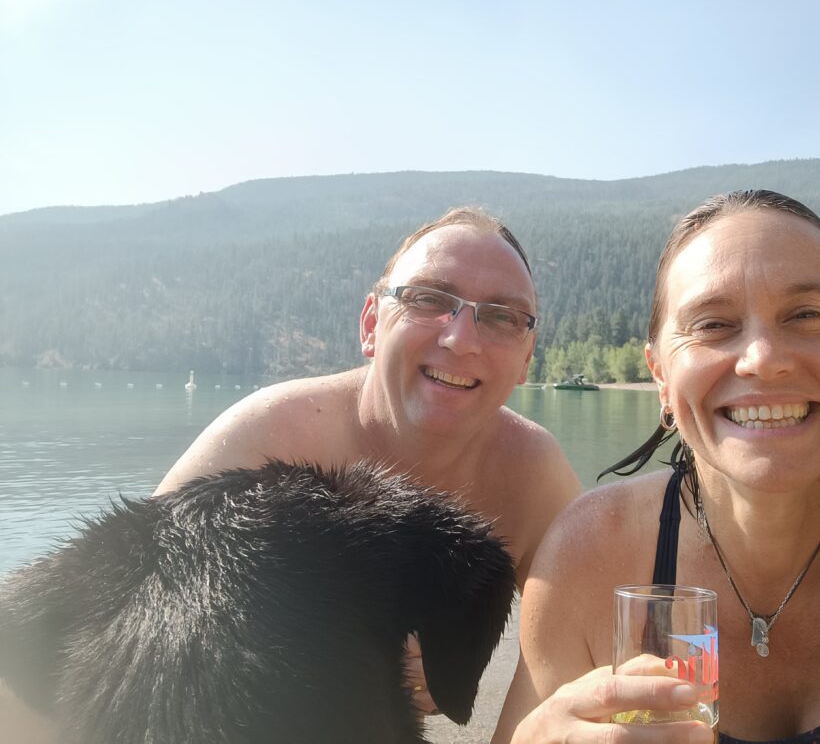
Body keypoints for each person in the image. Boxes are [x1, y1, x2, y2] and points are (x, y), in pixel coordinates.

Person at [494, 190, 820, 743]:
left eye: (807, 315)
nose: (763, 358)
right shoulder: (586, 560)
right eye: (712, 325)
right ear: (660, 376)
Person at [154, 206, 582, 714]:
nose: (460, 339)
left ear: (526, 359)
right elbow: (128, 604)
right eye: (428, 299)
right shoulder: (269, 435)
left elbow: (587, 646)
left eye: (502, 317)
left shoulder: (532, 474)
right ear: (371, 324)